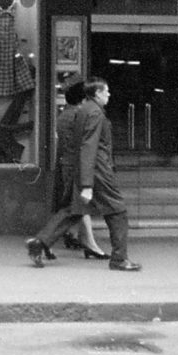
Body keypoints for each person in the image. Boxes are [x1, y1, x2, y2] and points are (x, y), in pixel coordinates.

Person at [25, 77, 140, 272]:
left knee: (73, 210)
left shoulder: (83, 111)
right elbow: (89, 146)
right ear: (97, 94)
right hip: (98, 172)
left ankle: (40, 242)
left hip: (85, 170)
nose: (109, 95)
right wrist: (87, 184)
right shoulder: (95, 113)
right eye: (106, 91)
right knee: (118, 212)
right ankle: (119, 258)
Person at [24, 79, 105, 263]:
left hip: (67, 165)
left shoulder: (64, 115)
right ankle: (42, 241)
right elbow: (85, 145)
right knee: (75, 208)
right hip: (76, 167)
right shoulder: (80, 115)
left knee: (73, 209)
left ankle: (49, 243)